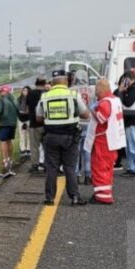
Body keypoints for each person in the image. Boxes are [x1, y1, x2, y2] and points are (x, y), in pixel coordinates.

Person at [36, 70, 90, 206]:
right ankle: (74, 197)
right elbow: (85, 114)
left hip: (51, 137)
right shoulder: (73, 95)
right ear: (66, 81)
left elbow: (38, 118)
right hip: (70, 137)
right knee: (70, 168)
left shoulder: (45, 97)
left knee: (52, 168)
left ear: (53, 83)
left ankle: (49, 198)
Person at [86, 79, 126, 204]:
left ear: (101, 90)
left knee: (99, 167)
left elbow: (101, 118)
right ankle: (105, 192)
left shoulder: (105, 103)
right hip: (113, 140)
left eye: (97, 92)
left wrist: (92, 109)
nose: (96, 95)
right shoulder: (115, 100)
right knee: (108, 168)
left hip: (103, 140)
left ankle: (103, 196)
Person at [0, 85, 19, 176]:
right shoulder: (13, 100)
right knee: (9, 140)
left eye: (0, 91)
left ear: (5, 92)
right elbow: (18, 110)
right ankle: (10, 159)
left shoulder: (1, 99)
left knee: (3, 141)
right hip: (13, 124)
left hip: (5, 123)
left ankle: (5, 161)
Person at [25, 77, 47, 174]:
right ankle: (47, 164)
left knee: (34, 146)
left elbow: (27, 107)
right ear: (44, 83)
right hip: (46, 124)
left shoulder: (31, 93)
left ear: (35, 83)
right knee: (47, 146)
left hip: (34, 123)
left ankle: (35, 165)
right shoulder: (47, 93)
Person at [16, 86, 32, 161]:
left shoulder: (31, 99)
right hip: (21, 119)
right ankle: (22, 150)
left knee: (29, 135)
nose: (25, 92)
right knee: (22, 135)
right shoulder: (19, 99)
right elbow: (17, 109)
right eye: (24, 90)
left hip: (28, 119)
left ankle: (28, 149)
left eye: (27, 90)